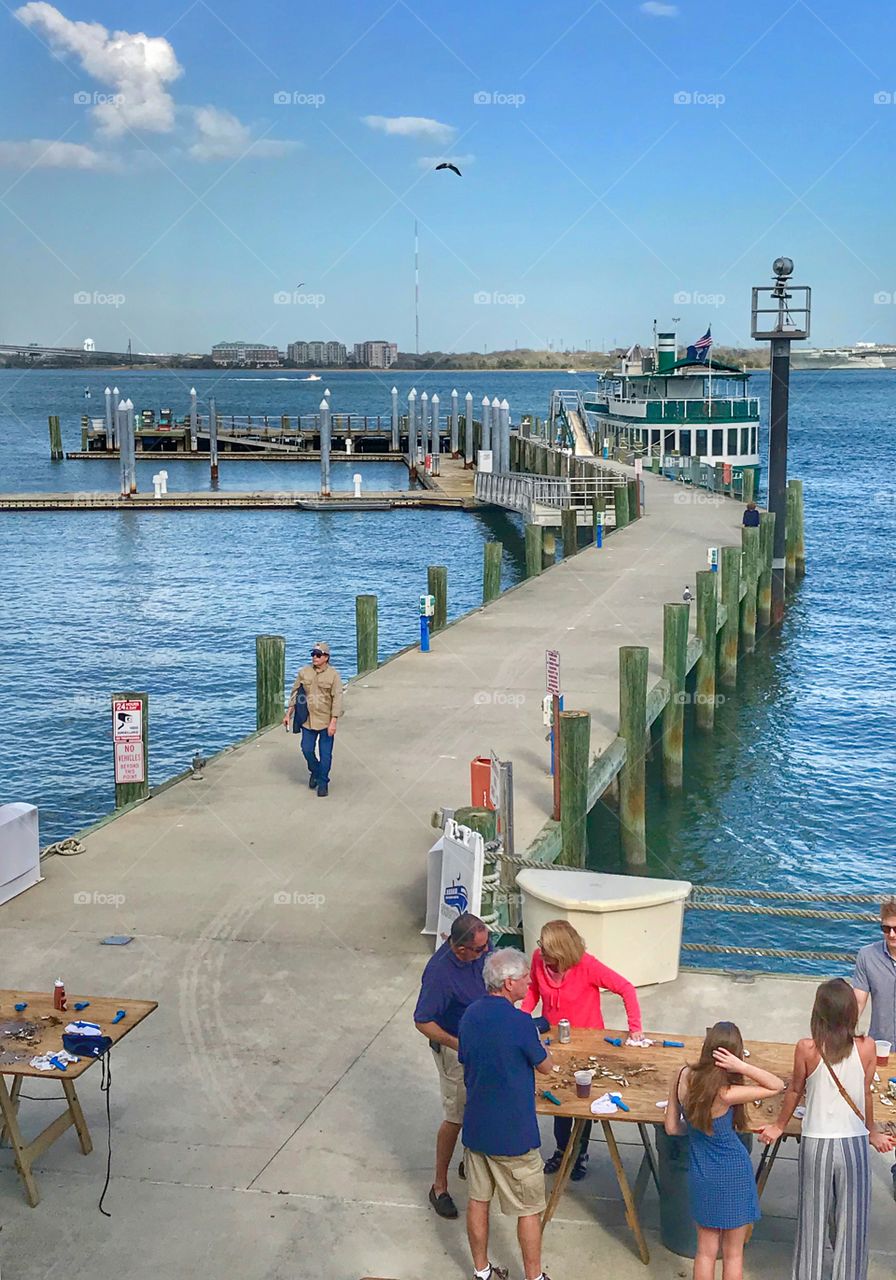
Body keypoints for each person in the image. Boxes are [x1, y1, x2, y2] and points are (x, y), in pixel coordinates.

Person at [759, 979, 894, 1280]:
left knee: (812, 1220)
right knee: (852, 1222)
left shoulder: (807, 1048)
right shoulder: (867, 1047)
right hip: (853, 1143)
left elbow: (795, 1090)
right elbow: (867, 1093)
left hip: (817, 1143)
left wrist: (779, 1125)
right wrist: (872, 1131)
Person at [520, 919, 642, 1181]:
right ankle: (562, 1150)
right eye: (542, 948)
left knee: (581, 1100)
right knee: (558, 1095)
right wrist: (521, 1017)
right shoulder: (538, 959)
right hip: (555, 1041)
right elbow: (532, 990)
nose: (544, 955)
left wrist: (635, 1029)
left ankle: (580, 1153)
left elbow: (626, 988)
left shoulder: (587, 965)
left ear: (563, 952)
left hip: (588, 1044)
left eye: (550, 953)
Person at [458, 948, 554, 1280]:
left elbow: (468, 1059)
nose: (530, 982)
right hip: (514, 1136)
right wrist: (545, 1050)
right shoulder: (520, 1022)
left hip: (476, 1130)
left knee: (477, 1201)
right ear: (509, 983)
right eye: (526, 977)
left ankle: (482, 1272)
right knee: (528, 1209)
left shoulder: (469, 1015)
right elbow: (545, 1067)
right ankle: (534, 1277)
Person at [665, 1021, 785, 1280]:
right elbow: (776, 1085)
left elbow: (673, 1128)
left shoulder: (682, 1075)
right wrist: (742, 1067)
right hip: (733, 1173)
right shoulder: (727, 1093)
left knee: (705, 1252)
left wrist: (698, 1132)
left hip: (701, 1172)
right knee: (733, 1255)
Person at [414, 913, 491, 1220]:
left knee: (480, 1105)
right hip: (456, 1050)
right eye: (479, 950)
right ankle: (439, 1186)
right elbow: (422, 1022)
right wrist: (459, 1044)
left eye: (487, 946)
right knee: (456, 1115)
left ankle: (468, 1160)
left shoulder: (481, 946)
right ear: (460, 949)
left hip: (483, 1044)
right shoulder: (439, 974)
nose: (486, 953)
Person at [851, 896, 896, 1199]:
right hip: (884, 1050)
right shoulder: (867, 956)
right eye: (885, 928)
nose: (891, 935)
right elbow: (856, 1002)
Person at [282, 641, 343, 796]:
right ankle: (314, 771)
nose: (314, 658)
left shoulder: (333, 675)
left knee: (326, 754)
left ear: (326, 657)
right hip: (308, 720)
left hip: (325, 721)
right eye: (313, 655)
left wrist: (334, 721)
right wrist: (288, 714)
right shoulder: (304, 672)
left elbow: (337, 699)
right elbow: (295, 693)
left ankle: (323, 782)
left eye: (318, 655)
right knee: (307, 749)